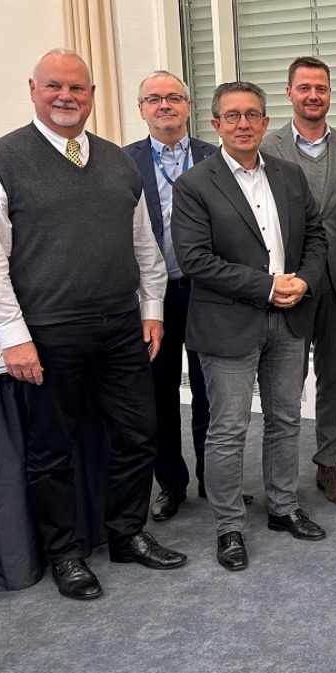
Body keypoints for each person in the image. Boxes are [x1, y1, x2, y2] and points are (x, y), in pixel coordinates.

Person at [0, 48, 187, 600]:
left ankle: (126, 533)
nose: (66, 97)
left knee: (139, 435)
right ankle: (65, 554)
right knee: (53, 450)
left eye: (78, 89)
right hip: (49, 331)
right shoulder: (0, 161)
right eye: (54, 87)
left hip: (121, 327)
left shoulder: (118, 162)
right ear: (33, 90)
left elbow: (144, 248)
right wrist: (13, 338)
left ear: (93, 95)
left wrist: (152, 310)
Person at [172, 81, 329, 571]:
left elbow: (318, 237)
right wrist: (266, 285)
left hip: (289, 319)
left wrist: (302, 282)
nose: (244, 124)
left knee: (285, 419)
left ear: (265, 122)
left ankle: (282, 507)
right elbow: (195, 259)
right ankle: (229, 527)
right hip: (228, 325)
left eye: (253, 115)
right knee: (228, 429)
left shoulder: (288, 175)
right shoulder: (195, 185)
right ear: (215, 124)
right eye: (232, 116)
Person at [262, 56, 336, 507]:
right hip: (289, 282)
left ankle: (328, 464)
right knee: (286, 379)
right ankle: (280, 473)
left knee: (333, 377)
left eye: (320, 88)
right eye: (304, 87)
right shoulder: (266, 149)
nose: (313, 95)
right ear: (289, 93)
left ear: (330, 94)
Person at [124, 70, 230, 521]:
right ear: (142, 109)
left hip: (208, 293)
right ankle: (171, 483)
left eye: (173, 98)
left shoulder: (217, 157)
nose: (164, 105)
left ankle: (214, 480)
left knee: (212, 391)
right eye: (154, 99)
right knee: (159, 394)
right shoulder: (123, 162)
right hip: (153, 297)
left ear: (188, 106)